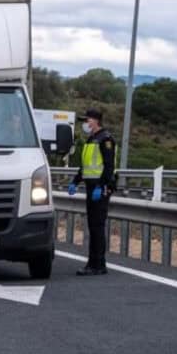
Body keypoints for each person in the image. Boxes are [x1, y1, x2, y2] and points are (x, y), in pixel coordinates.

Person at [68, 108, 117, 276]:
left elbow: (109, 166)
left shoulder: (106, 139)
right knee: (93, 226)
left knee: (97, 226)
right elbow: (86, 166)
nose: (85, 123)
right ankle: (94, 263)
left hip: (100, 188)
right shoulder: (91, 139)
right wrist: (75, 181)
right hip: (91, 187)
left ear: (95, 120)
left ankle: (97, 264)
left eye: (87, 120)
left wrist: (101, 186)